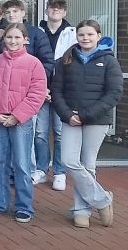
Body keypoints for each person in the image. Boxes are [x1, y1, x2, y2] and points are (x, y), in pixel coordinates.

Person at [51, 21, 122, 228]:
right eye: (81, 35)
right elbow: (56, 91)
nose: (85, 38)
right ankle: (102, 199)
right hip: (70, 118)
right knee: (68, 160)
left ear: (98, 36)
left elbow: (114, 93)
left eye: (90, 34)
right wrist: (67, 114)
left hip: (96, 120)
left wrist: (85, 115)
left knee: (88, 164)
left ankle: (82, 210)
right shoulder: (66, 60)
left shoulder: (109, 61)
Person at [0, 23, 47, 223]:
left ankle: (24, 207)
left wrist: (17, 116)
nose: (13, 41)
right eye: (9, 37)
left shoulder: (34, 64)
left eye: (17, 37)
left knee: (22, 165)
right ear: (4, 39)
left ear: (25, 39)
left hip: (21, 122)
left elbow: (36, 94)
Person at [36, 0, 77, 191]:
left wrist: (57, 90)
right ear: (46, 11)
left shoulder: (73, 34)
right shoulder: (37, 32)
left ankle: (59, 172)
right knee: (40, 133)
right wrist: (42, 88)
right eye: (52, 8)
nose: (55, 11)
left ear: (65, 12)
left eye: (60, 8)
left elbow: (72, 65)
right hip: (40, 91)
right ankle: (41, 170)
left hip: (62, 92)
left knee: (60, 134)